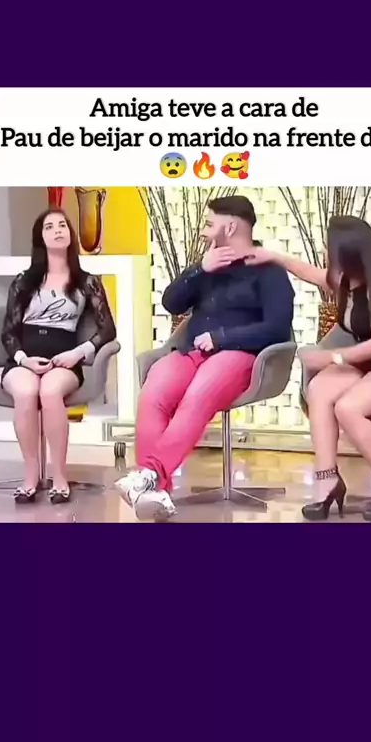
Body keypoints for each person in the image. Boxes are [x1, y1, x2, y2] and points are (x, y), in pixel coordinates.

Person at [116, 195, 295, 521]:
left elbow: (278, 327)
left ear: (231, 226)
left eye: (209, 224)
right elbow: (171, 303)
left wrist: (222, 338)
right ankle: (155, 493)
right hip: (192, 352)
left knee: (198, 393)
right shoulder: (209, 266)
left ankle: (149, 474)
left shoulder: (269, 271)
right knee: (154, 391)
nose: (203, 230)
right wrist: (200, 269)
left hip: (240, 355)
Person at [246, 215, 371, 523]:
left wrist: (333, 358)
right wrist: (272, 256)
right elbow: (310, 273)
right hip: (367, 363)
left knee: (348, 408)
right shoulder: (346, 280)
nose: (324, 250)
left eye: (328, 246)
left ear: (347, 251)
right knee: (318, 389)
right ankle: (327, 480)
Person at [1, 209, 116, 504]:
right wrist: (23, 359)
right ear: (40, 237)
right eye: (49, 227)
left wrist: (77, 354)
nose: (58, 230)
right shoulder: (24, 281)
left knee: (50, 390)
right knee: (26, 390)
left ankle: (59, 477)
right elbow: (8, 332)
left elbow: (107, 329)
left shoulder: (86, 282)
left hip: (64, 359)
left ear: (70, 234)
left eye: (62, 225)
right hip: (24, 359)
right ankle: (30, 476)